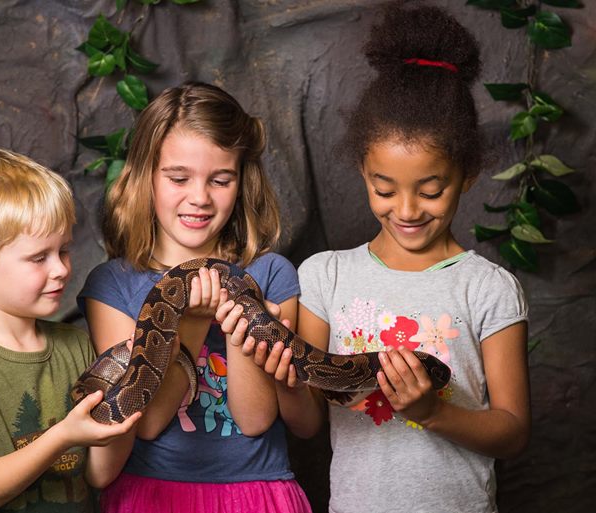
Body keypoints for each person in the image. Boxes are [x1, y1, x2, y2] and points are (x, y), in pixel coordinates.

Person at [218, 3, 531, 512]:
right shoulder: (326, 276)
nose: (406, 210)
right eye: (384, 188)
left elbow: (513, 433)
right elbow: (309, 422)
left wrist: (433, 412)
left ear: (466, 176)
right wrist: (286, 379)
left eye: (430, 190)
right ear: (363, 172)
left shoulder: (489, 288)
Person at [77, 81, 311, 513]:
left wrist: (241, 314)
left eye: (220, 180)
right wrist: (193, 321)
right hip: (153, 496)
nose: (199, 197)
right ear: (146, 175)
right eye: (178, 177)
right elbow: (144, 424)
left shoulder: (270, 273)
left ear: (242, 181)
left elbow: (256, 420)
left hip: (255, 495)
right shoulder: (113, 284)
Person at [0, 148, 141, 513]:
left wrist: (133, 390)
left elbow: (99, 475)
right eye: (39, 257)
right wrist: (63, 435)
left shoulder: (74, 346)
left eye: (64, 250)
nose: (62, 269)